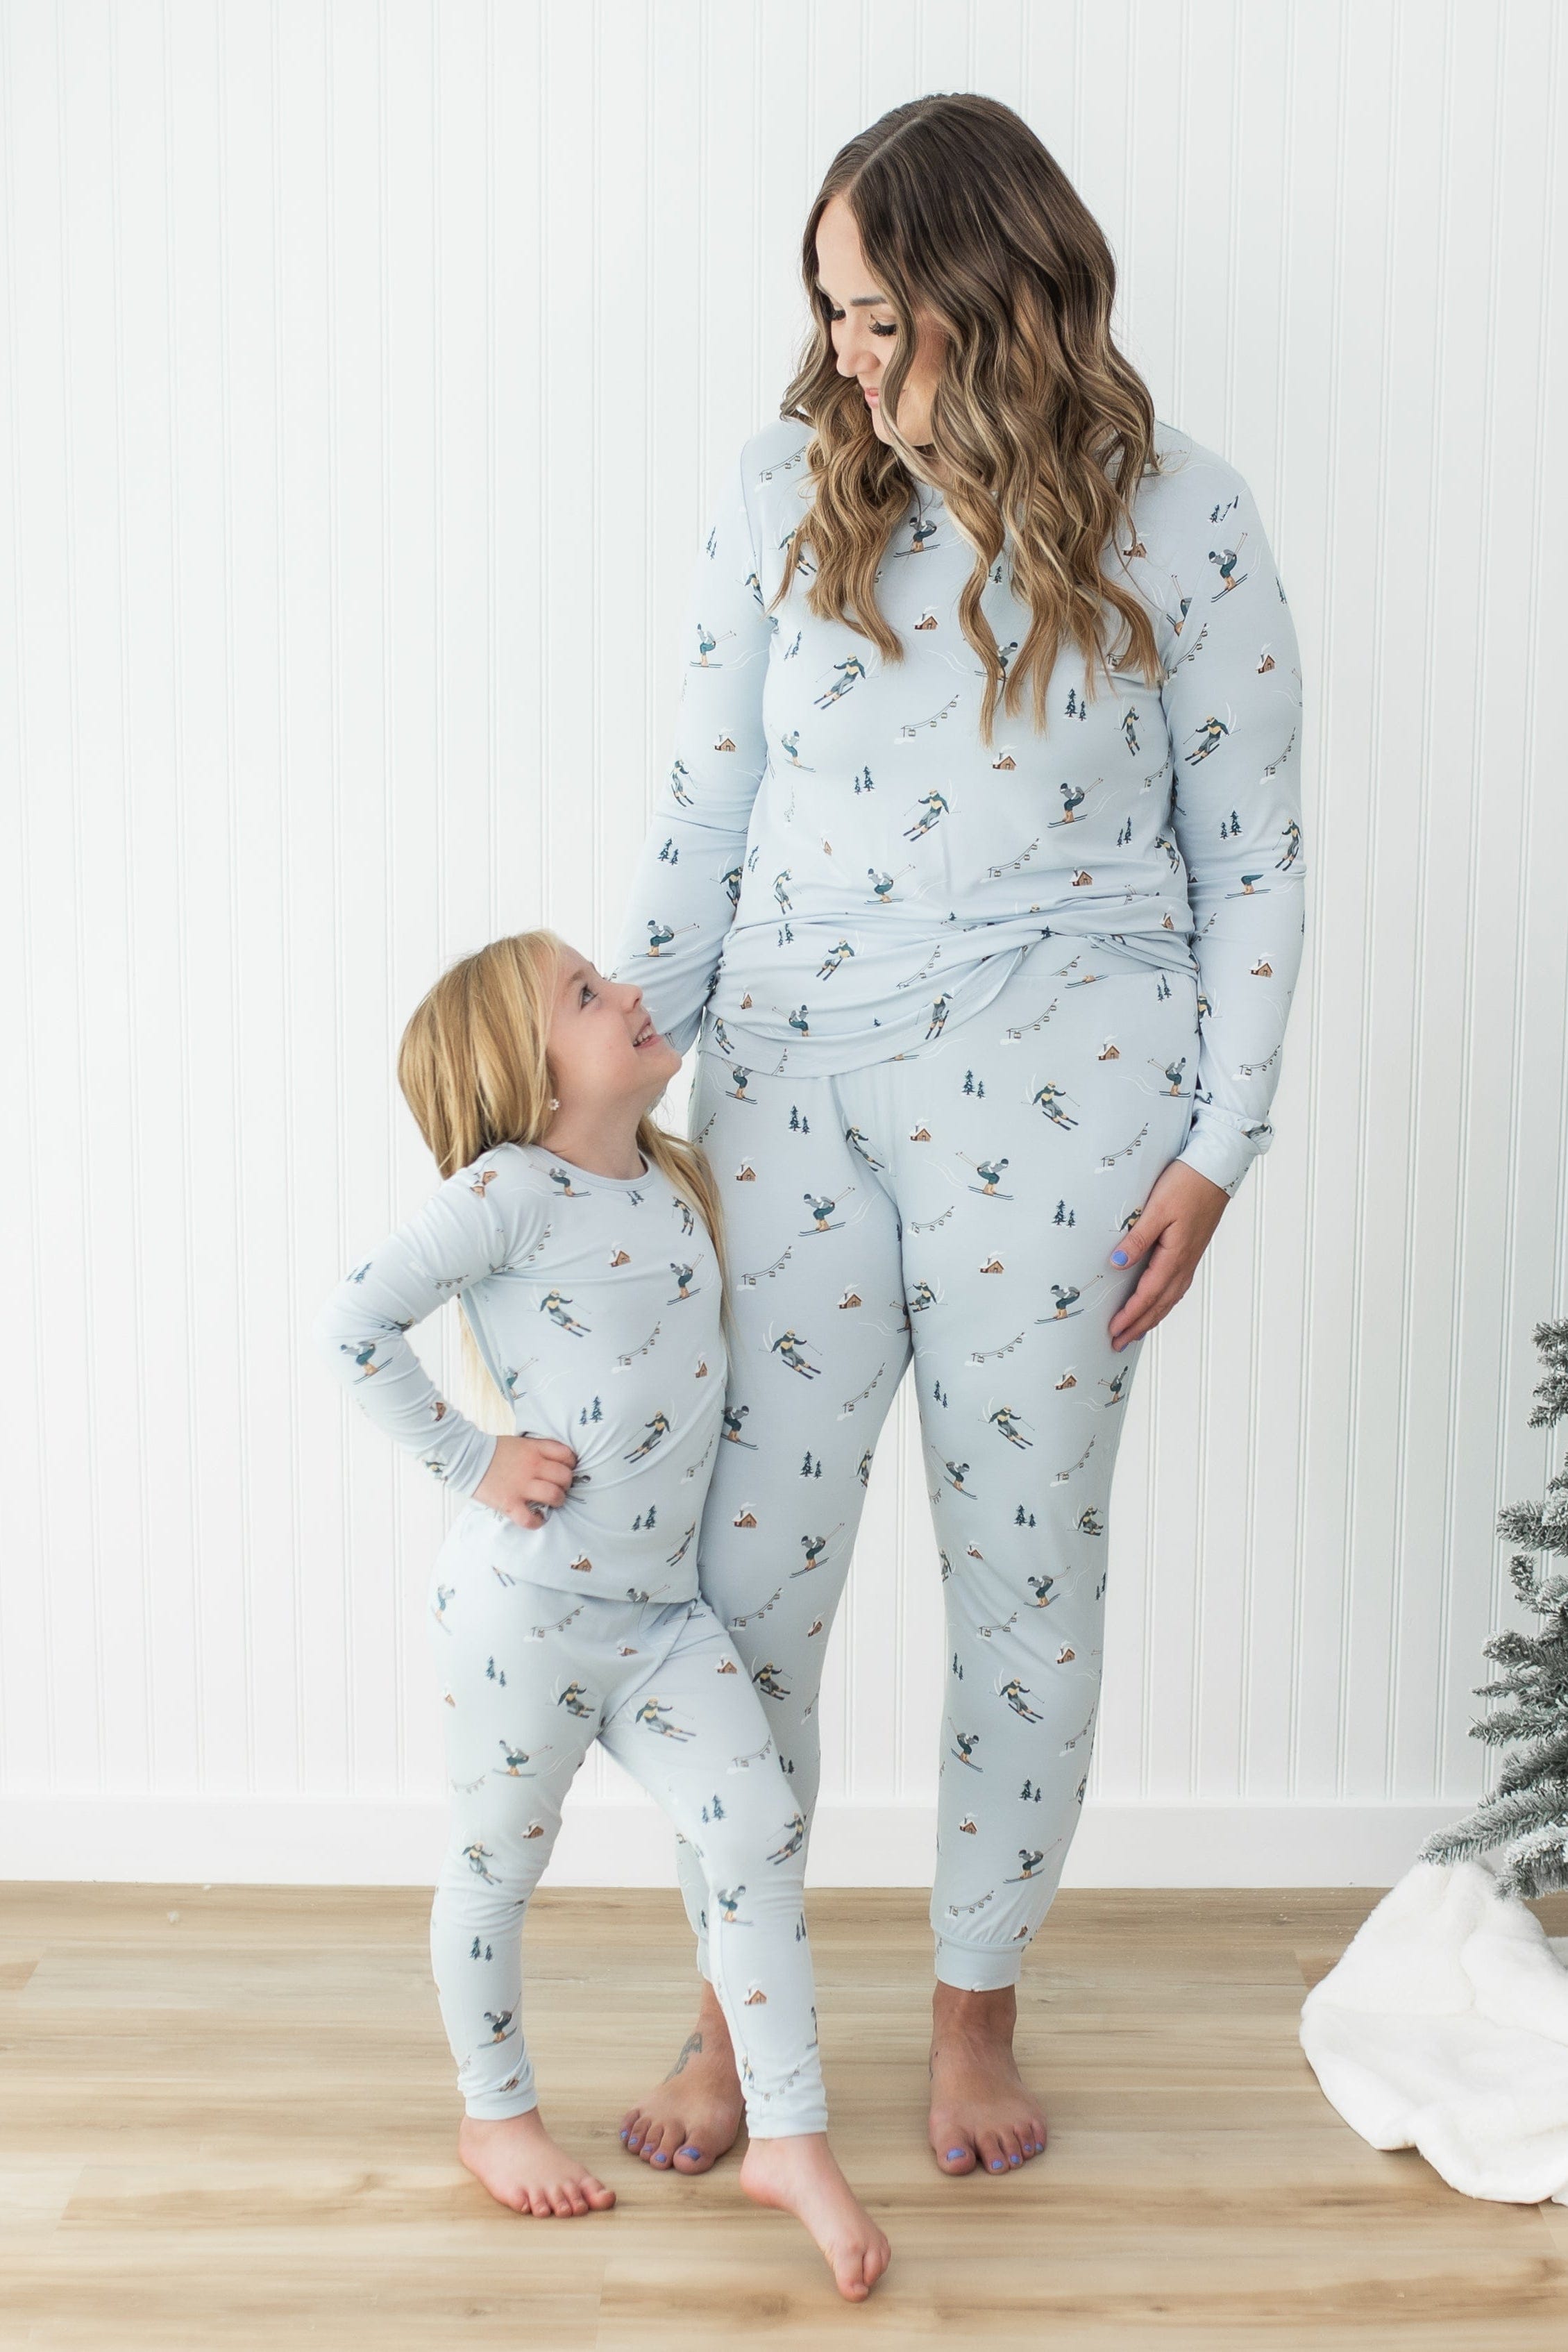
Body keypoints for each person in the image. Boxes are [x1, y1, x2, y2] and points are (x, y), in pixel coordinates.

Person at [609, 92, 1308, 2182]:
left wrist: (1216, 1147)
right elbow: (699, 823)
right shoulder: (777, 492)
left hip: (1075, 1112)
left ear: (996, 304)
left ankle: (972, 2007)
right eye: (825, 311)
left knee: (1027, 1581)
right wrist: (592, 1116)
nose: (844, 353)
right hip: (798, 1093)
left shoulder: (1185, 519)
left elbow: (1255, 860)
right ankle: (737, 2006)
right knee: (744, 1584)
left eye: (880, 315)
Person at [312, 929, 891, 2301]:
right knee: (498, 1862)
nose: (625, 991)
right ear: (524, 1068)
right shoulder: (507, 1189)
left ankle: (789, 2134)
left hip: (660, 1613)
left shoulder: (672, 1176)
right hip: (526, 1610)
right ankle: (492, 2110)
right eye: (583, 993)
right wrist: (472, 1458)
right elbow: (353, 1322)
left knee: (755, 1823)